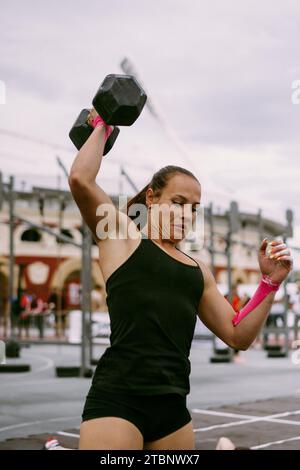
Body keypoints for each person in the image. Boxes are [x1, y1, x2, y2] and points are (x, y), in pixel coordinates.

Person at [64, 108, 293, 450]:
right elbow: (81, 179)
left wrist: (269, 284)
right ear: (152, 200)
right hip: (119, 400)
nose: (186, 214)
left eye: (194, 207)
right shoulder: (122, 238)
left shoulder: (197, 269)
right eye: (178, 202)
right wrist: (105, 123)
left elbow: (237, 335)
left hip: (172, 409)